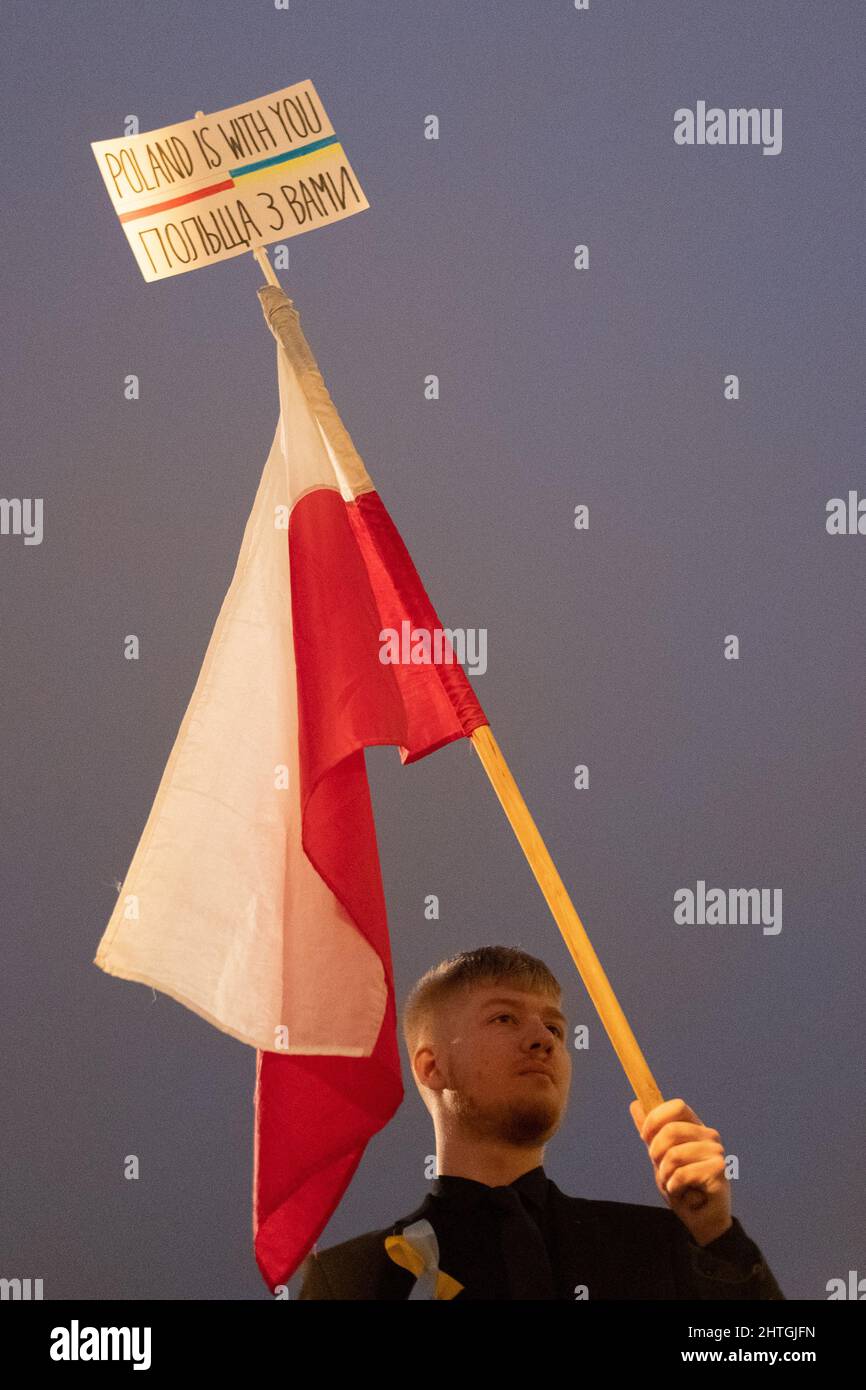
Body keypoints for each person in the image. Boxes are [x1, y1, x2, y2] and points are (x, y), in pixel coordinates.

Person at [298, 945, 785, 1299]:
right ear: (431, 1066)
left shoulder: (663, 1248)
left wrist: (717, 1238)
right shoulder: (355, 1281)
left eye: (554, 1026)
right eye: (504, 1019)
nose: (542, 1039)